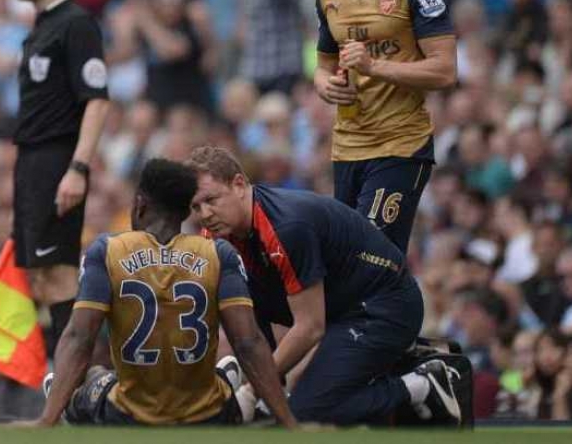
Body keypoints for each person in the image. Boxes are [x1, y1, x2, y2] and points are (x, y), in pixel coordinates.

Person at [187, 145, 465, 426]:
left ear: (238, 185)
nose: (205, 213)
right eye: (196, 206)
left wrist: (252, 388)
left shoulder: (286, 226)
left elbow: (310, 326)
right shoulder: (219, 233)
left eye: (211, 199)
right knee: (239, 292)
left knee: (307, 410)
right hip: (342, 305)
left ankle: (422, 385)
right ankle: (264, 392)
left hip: (385, 306)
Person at [35, 158, 296, 427]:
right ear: (186, 213)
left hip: (129, 415)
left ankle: (63, 404)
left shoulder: (107, 250)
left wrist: (45, 422)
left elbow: (79, 338)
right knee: (224, 383)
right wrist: (290, 423)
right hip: (207, 416)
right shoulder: (218, 253)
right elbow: (248, 342)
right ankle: (232, 390)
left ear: (139, 204)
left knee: (96, 376)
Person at [313, 0, 457, 253]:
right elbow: (323, 65)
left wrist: (375, 67)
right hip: (346, 147)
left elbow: (445, 70)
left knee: (370, 254)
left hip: (401, 145)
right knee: (348, 261)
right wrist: (325, 86)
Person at [9, 0, 110, 357]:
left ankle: (79, 381)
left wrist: (78, 168)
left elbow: (98, 101)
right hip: (32, 161)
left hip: (57, 160)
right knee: (39, 276)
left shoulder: (76, 24)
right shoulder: (43, 25)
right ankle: (63, 378)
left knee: (61, 273)